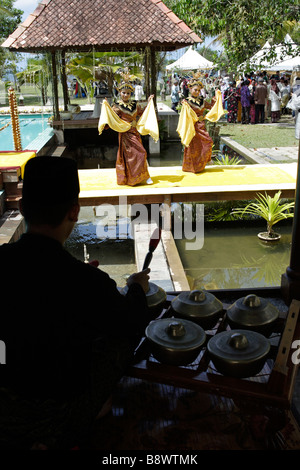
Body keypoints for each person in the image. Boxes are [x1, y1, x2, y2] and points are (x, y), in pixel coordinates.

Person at [0, 156, 153, 449]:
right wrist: (135, 287)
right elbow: (130, 322)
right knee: (119, 340)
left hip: (4, 396)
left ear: (21, 208)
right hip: (56, 415)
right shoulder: (86, 281)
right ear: (74, 211)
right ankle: (90, 409)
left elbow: (33, 299)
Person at [109, 72, 154, 186]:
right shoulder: (117, 106)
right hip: (125, 135)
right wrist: (106, 108)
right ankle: (133, 178)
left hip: (135, 133)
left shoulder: (135, 104)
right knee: (131, 156)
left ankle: (144, 175)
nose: (125, 95)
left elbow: (143, 113)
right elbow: (113, 118)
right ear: (120, 93)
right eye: (123, 93)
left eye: (128, 93)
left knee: (142, 153)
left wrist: (149, 102)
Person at [180, 75, 216, 173]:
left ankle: (205, 160)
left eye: (199, 90)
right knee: (193, 147)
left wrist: (215, 100)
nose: (197, 92)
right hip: (192, 127)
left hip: (201, 126)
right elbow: (185, 116)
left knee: (208, 142)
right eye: (195, 90)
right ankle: (193, 168)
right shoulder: (186, 102)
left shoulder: (202, 101)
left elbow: (211, 107)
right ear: (190, 89)